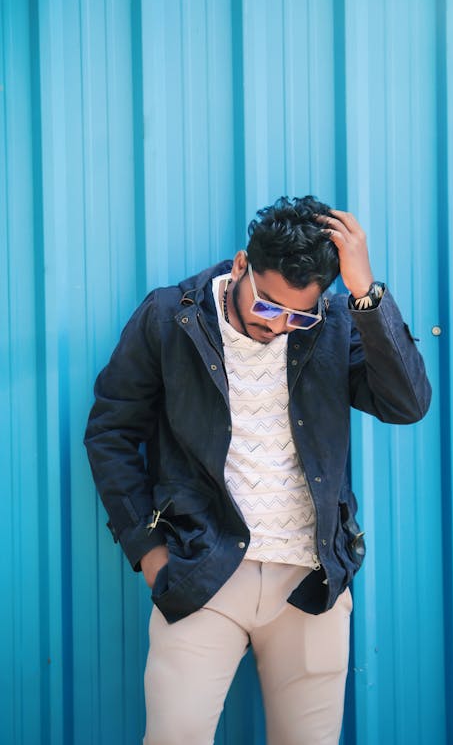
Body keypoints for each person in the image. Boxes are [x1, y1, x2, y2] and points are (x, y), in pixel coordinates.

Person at [84, 195, 431, 745]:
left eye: (299, 314)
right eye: (269, 305)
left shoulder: (333, 325)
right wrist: (150, 554)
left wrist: (366, 295)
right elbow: (111, 432)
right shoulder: (170, 318)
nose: (280, 325)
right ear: (242, 264)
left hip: (309, 582)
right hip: (205, 571)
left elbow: (407, 403)